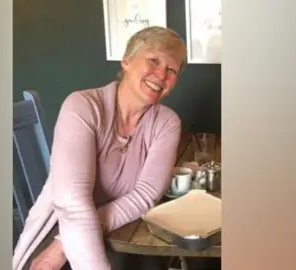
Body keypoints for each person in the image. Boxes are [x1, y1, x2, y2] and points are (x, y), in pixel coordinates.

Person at [13, 26, 187, 270]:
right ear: (126, 61)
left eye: (172, 70)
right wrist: (64, 243)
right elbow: (72, 203)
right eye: (153, 60)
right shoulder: (82, 106)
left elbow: (145, 195)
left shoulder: (167, 123)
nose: (161, 74)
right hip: (61, 222)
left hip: (125, 223)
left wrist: (62, 245)